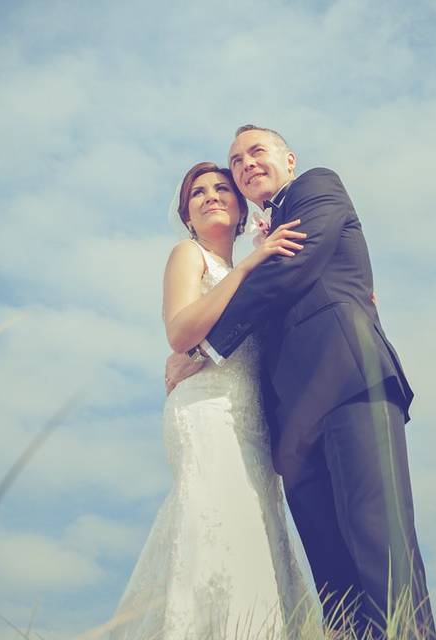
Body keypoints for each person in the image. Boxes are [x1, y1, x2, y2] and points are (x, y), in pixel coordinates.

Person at [165, 126, 436, 639]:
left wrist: (205, 349)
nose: (245, 164)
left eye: (256, 152)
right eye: (236, 160)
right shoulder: (258, 244)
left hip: (350, 384)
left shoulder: (317, 188)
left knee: (380, 543)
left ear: (288, 159)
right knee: (332, 577)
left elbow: (289, 271)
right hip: (290, 428)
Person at [104, 162, 323, 639]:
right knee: (215, 530)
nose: (210, 196)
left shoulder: (262, 270)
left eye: (221, 188)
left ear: (242, 207)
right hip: (205, 412)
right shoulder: (191, 256)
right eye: (197, 193)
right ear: (187, 216)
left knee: (254, 539)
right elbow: (180, 332)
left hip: (254, 426)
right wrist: (246, 265)